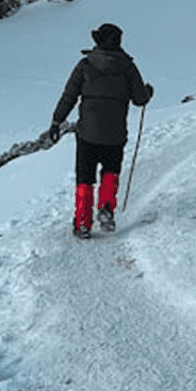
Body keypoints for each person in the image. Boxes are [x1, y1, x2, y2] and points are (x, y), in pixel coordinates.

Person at [50, 23, 153, 238]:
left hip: (88, 132)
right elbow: (139, 100)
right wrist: (148, 92)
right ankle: (106, 209)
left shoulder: (85, 65)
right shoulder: (127, 67)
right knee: (110, 172)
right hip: (115, 133)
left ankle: (83, 222)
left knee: (85, 177)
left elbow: (69, 96)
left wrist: (56, 122)